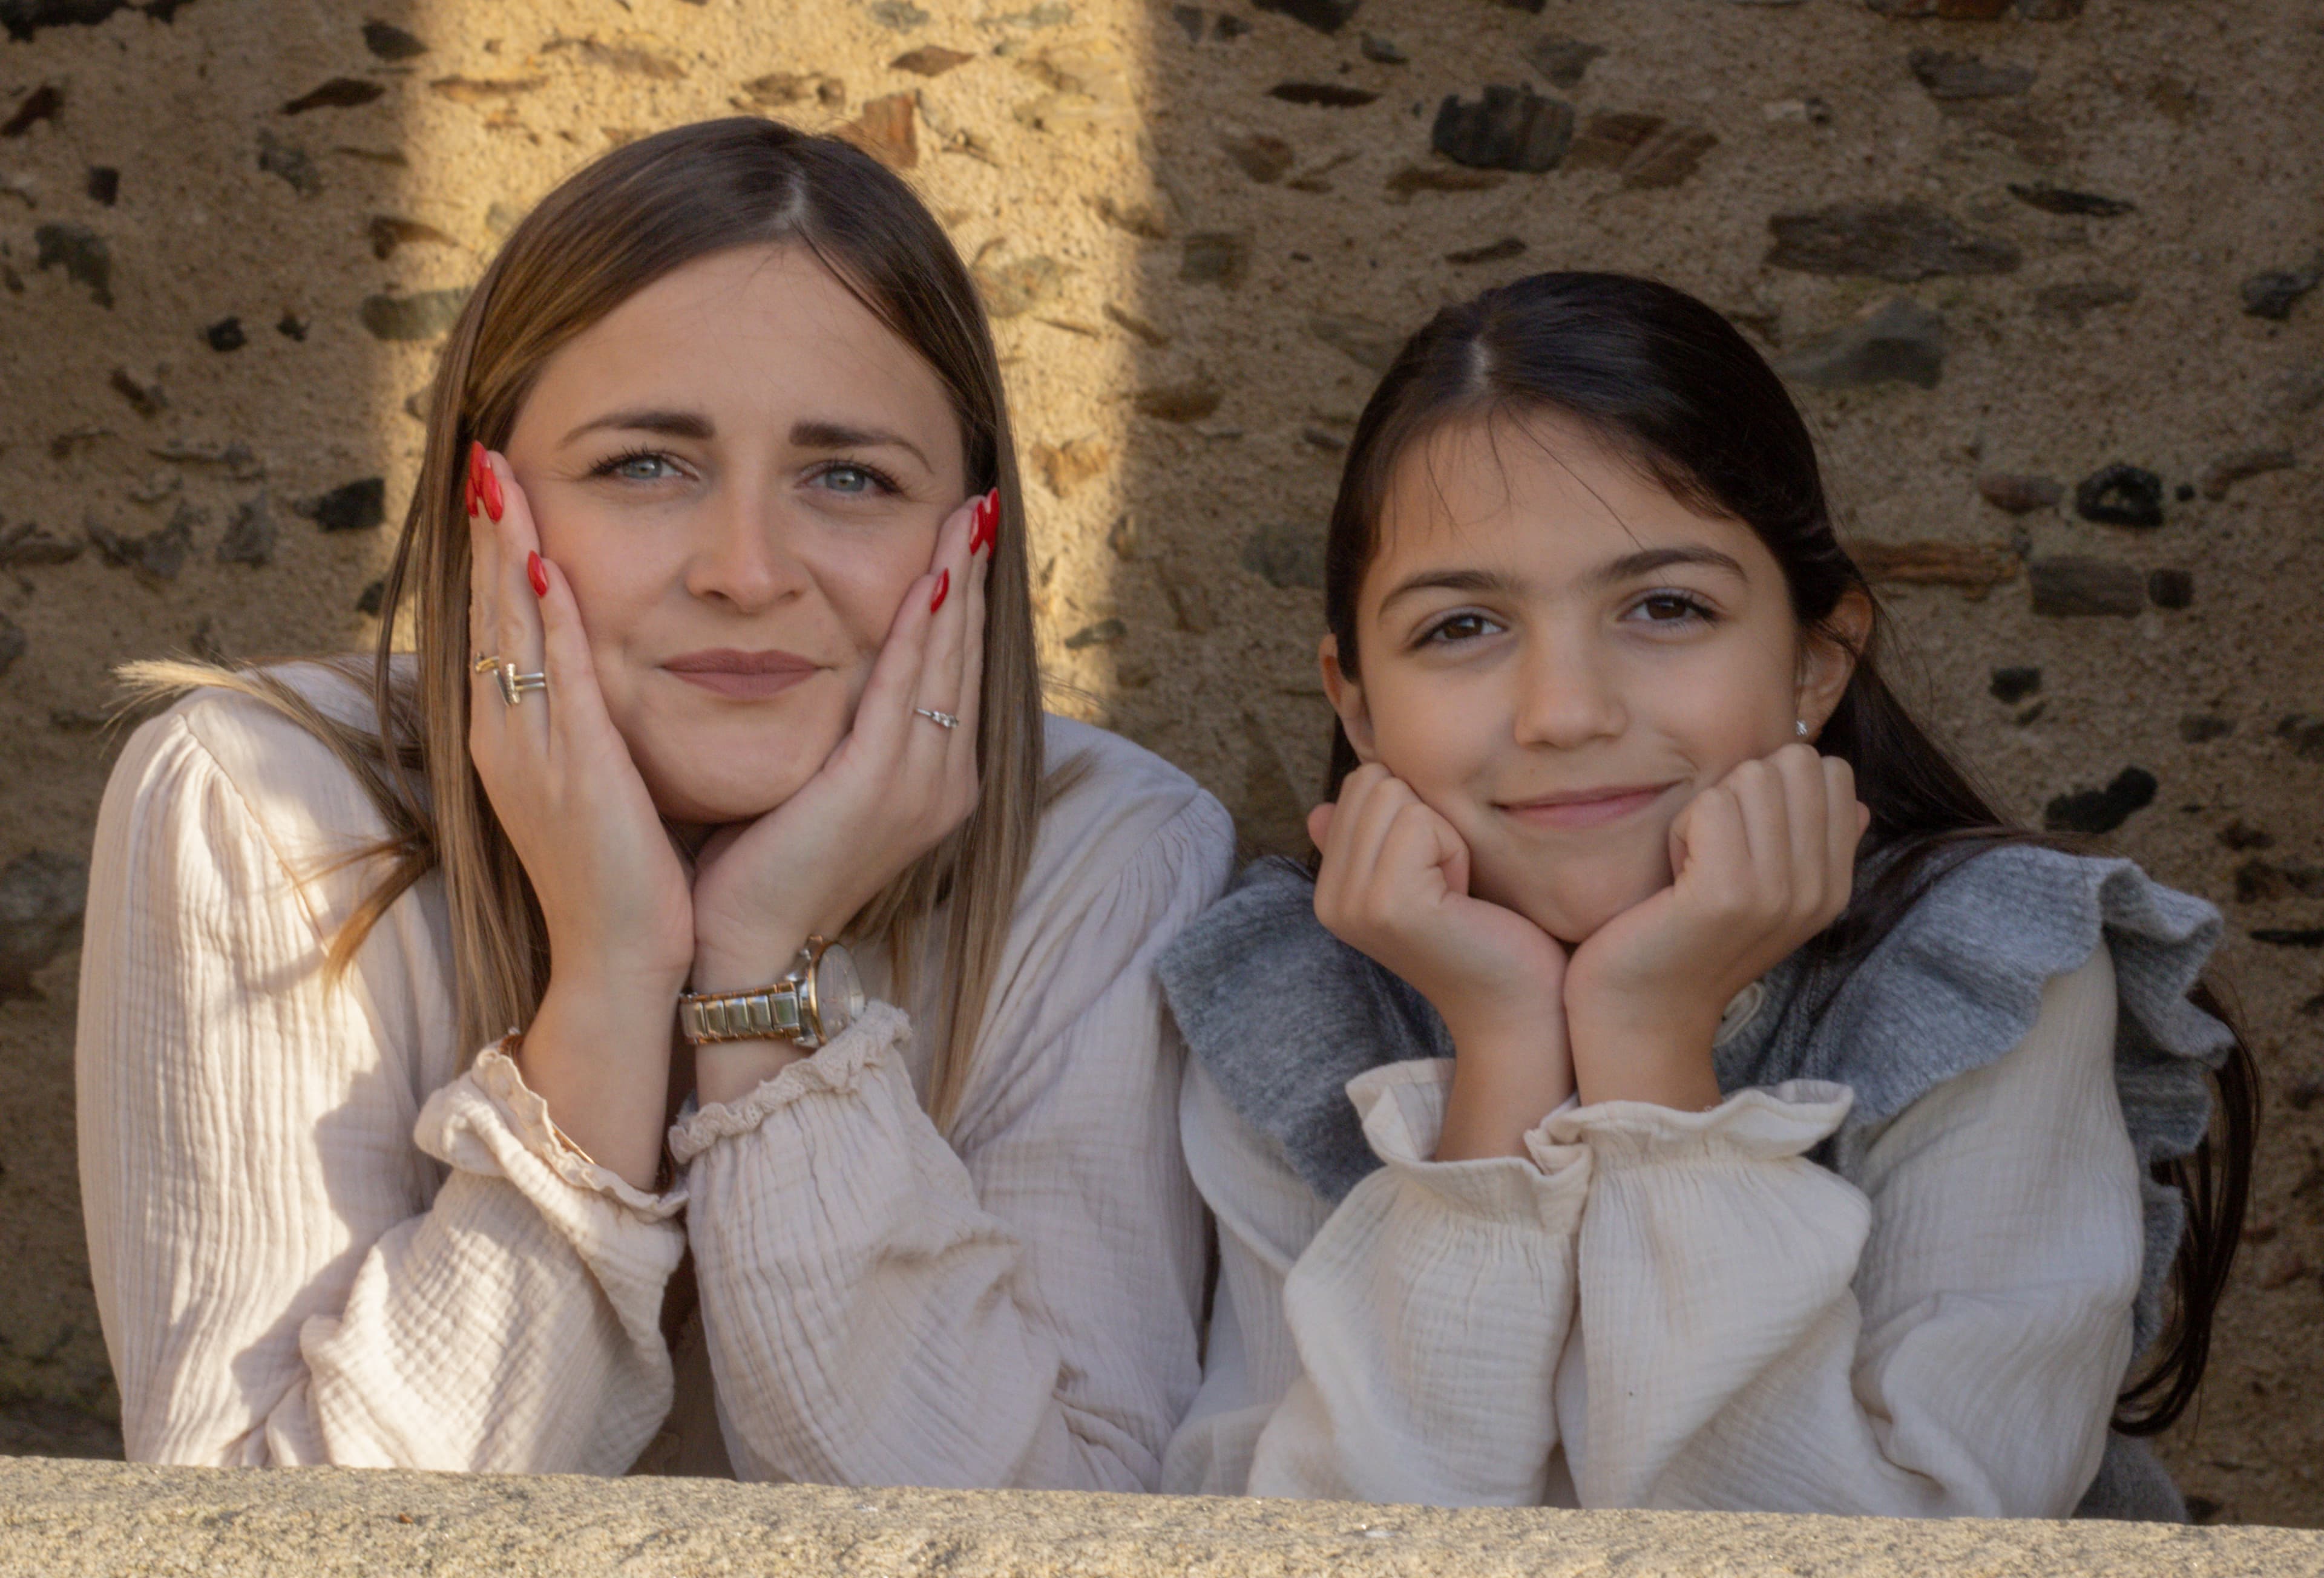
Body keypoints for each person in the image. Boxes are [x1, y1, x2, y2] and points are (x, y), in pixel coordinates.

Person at [76, 117, 1233, 1485]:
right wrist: (615, 978)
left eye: (848, 477)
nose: (748, 569)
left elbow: (1061, 1534)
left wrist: (760, 967)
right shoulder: (260, 806)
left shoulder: (1106, 855)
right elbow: (265, 1545)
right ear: (489, 505)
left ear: (965, 533)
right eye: (645, 463)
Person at [1157, 272, 2255, 1519]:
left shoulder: (1983, 969)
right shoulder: (1292, 995)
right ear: (1357, 703)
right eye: (1463, 625)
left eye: (1667, 606)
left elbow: (1908, 1546)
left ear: (1816, 659)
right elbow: (1306, 1536)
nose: (1565, 711)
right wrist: (1505, 1049)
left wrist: (1649, 1049)